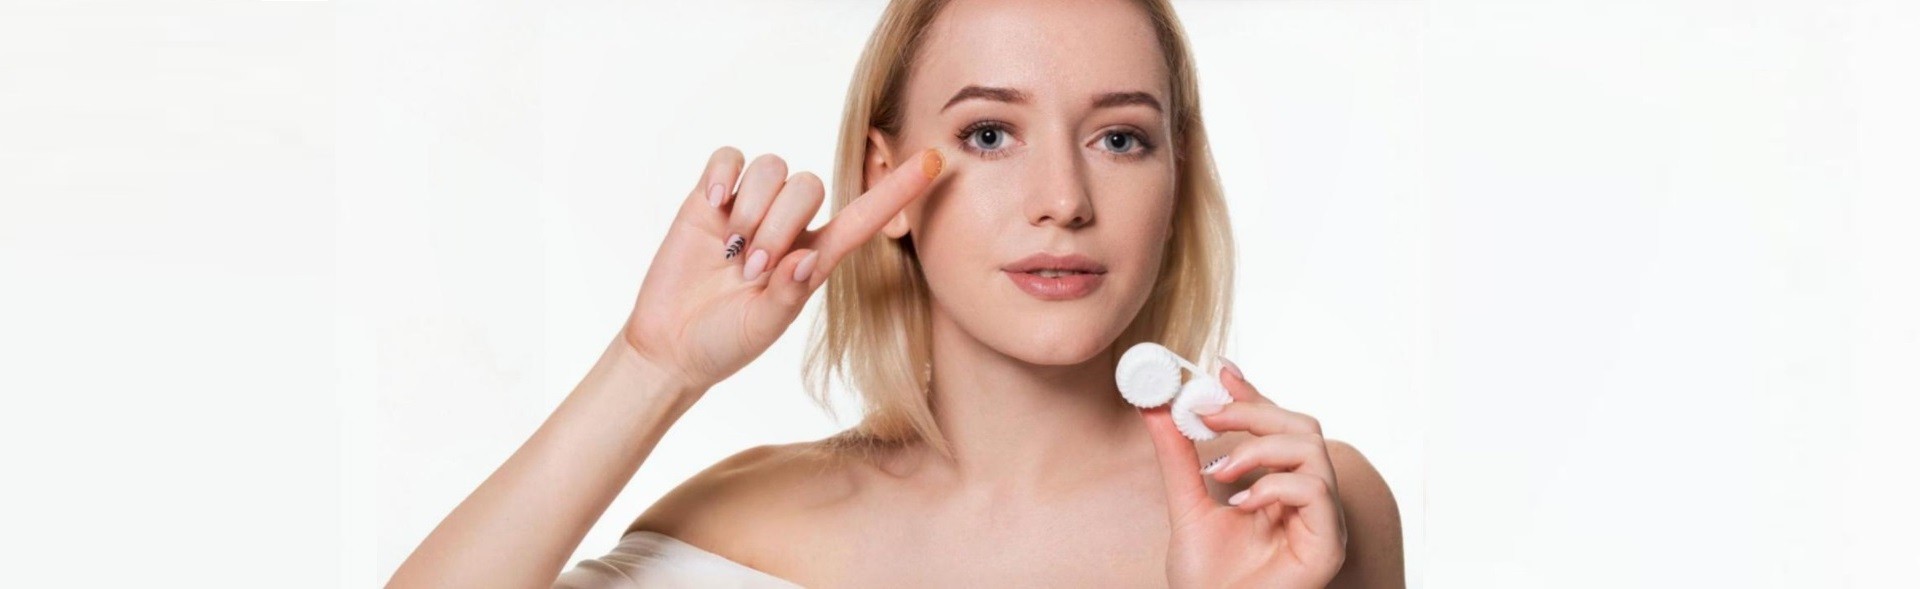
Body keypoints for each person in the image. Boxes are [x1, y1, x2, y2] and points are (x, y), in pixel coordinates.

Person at [388, 0, 1404, 586]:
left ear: (1176, 180)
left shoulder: (1292, 510)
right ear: (890, 180)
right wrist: (649, 367)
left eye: (1121, 137)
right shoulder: (742, 525)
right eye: (989, 134)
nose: (1063, 199)